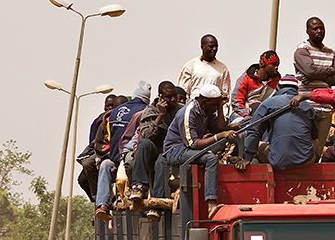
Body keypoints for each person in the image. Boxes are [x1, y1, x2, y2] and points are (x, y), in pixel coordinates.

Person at [162, 84, 235, 218]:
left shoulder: (207, 110)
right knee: (210, 159)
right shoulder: (188, 112)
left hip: (191, 148)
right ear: (203, 101)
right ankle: (211, 203)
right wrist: (220, 136)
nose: (214, 108)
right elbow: (194, 144)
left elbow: (219, 128)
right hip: (176, 150)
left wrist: (219, 108)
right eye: (213, 105)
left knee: (226, 142)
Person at [236, 75, 317, 171]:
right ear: (296, 90)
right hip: (306, 160)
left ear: (278, 88)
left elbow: (254, 131)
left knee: (258, 146)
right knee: (315, 141)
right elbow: (315, 135)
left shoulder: (268, 103)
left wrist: (247, 157)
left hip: (278, 161)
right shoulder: (308, 107)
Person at [95, 81, 150, 221]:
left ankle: (102, 205)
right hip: (129, 158)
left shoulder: (113, 113)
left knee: (104, 165)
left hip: (113, 158)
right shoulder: (144, 111)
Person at [294, 17, 335, 156]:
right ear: (308, 31)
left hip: (326, 107)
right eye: (315, 28)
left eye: (321, 28)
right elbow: (308, 70)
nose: (319, 31)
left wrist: (314, 74)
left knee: (318, 148)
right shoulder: (302, 50)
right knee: (305, 146)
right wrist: (329, 72)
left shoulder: (332, 53)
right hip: (307, 106)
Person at [129, 81, 182, 204]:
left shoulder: (181, 110)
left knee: (161, 161)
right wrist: (161, 115)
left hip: (171, 151)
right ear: (161, 97)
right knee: (143, 144)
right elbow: (146, 135)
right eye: (169, 97)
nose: (173, 99)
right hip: (153, 149)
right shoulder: (150, 111)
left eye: (174, 95)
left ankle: (158, 199)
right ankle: (138, 186)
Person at [230, 50, 281, 126]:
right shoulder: (246, 78)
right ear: (263, 64)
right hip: (241, 115)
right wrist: (245, 114)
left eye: (277, 65)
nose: (276, 67)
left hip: (263, 117)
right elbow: (236, 101)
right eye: (273, 64)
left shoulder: (277, 80)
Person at [178, 34, 231, 100]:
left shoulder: (222, 68)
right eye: (211, 46)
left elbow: (226, 93)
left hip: (214, 107)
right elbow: (183, 91)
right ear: (202, 47)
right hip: (194, 106)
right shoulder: (191, 65)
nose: (214, 49)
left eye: (216, 46)